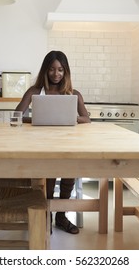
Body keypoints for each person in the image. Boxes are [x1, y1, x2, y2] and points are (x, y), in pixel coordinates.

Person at [15, 50, 90, 234]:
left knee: (69, 174)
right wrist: (35, 119)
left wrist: (71, 117)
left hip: (67, 146)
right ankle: (46, 215)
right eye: (51, 70)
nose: (56, 74)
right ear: (45, 71)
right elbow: (15, 117)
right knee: (48, 175)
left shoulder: (73, 94)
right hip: (42, 146)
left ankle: (61, 216)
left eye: (61, 70)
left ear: (66, 72)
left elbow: (86, 119)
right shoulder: (34, 92)